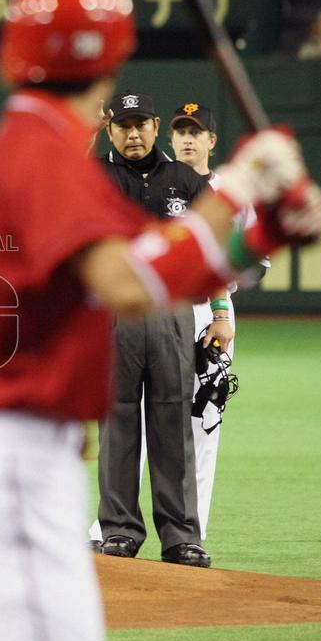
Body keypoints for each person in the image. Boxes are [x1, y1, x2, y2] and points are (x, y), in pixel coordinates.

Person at [0, 0, 321, 641]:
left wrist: (256, 230)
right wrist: (237, 189)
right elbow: (131, 280)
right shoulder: (44, 153)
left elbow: (155, 258)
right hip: (10, 471)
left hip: (2, 465)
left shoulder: (22, 146)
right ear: (110, 63)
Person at [94, 91, 213, 567]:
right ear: (111, 131)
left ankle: (181, 536)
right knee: (117, 423)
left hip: (173, 312)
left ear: (156, 125)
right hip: (113, 313)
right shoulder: (93, 177)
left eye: (141, 123)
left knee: (171, 423)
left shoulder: (185, 180)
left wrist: (218, 317)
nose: (133, 132)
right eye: (124, 125)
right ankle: (120, 529)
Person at [170, 101, 269, 539]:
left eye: (196, 131)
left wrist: (221, 294)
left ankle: (193, 531)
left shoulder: (233, 191)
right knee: (135, 421)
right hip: (156, 312)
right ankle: (110, 526)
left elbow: (256, 260)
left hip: (212, 315)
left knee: (203, 424)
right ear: (169, 137)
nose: (187, 138)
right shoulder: (156, 181)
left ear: (212, 140)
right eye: (180, 131)